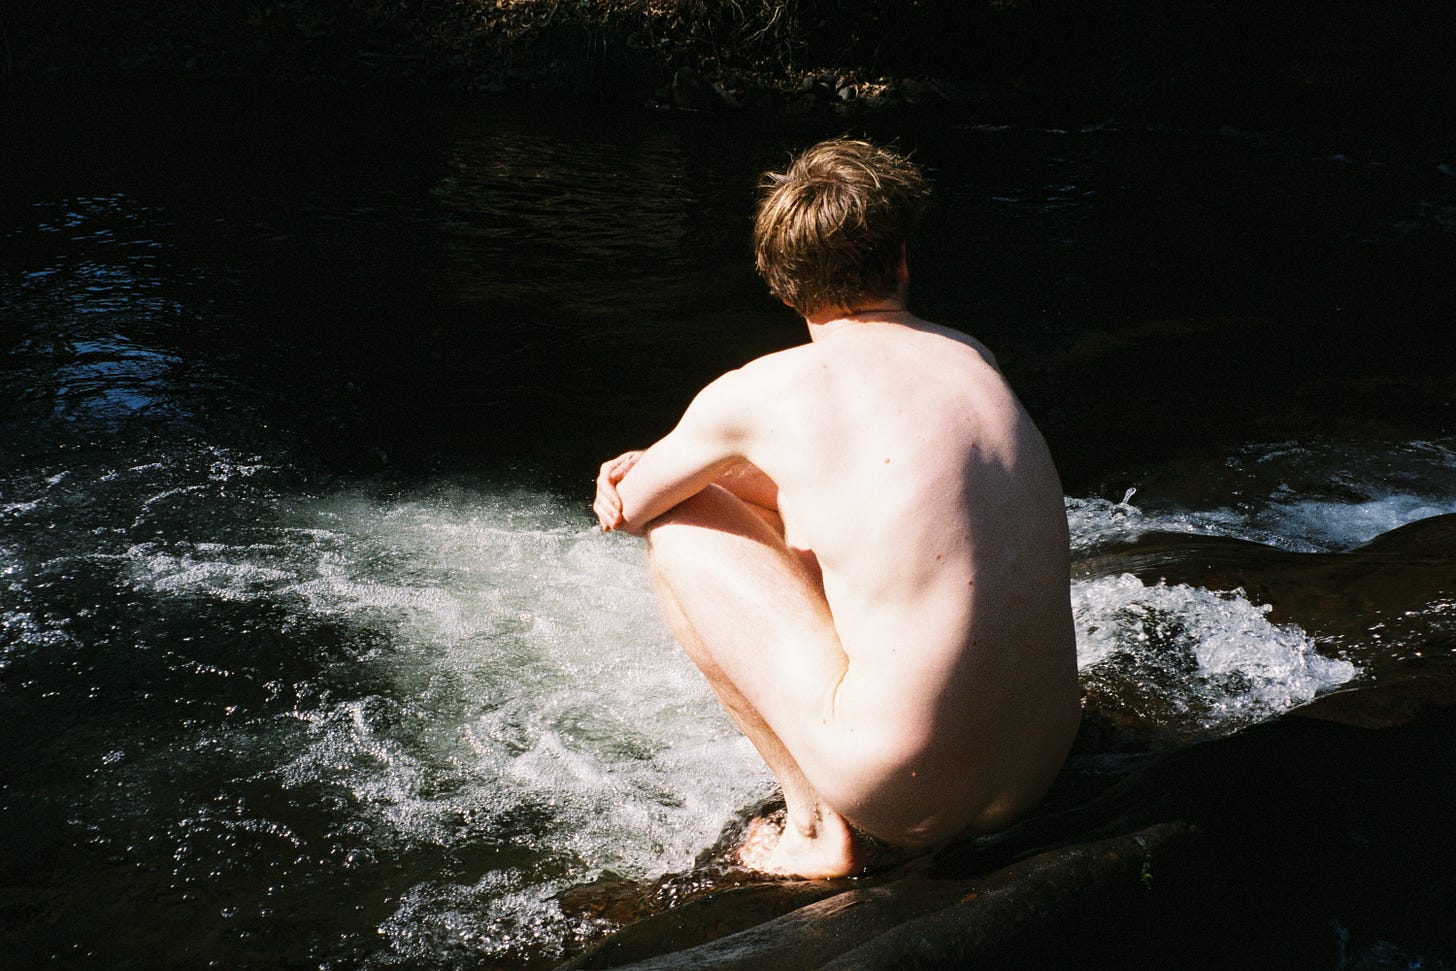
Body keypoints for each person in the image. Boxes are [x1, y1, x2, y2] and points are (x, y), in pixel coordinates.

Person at [593, 138, 1081, 879]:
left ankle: (815, 825)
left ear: (784, 290)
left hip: (907, 791)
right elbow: (851, 498)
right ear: (902, 261)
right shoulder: (969, 355)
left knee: (679, 527)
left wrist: (637, 470)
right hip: (1037, 770)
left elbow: (629, 508)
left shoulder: (764, 389)